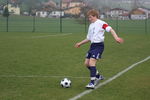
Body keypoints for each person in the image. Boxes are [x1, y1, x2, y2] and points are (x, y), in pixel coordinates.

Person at [74, 9, 124, 89]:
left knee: (92, 62)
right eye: (88, 17)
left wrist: (116, 38)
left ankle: (92, 83)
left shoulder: (101, 23)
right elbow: (89, 38)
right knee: (86, 64)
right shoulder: (91, 26)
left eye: (90, 17)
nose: (89, 19)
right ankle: (98, 76)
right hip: (92, 46)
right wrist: (80, 43)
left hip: (99, 46)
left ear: (95, 16)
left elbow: (110, 29)